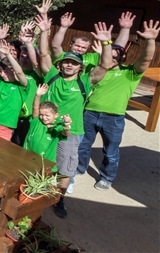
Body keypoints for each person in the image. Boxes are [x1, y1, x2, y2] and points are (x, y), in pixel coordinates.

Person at [37, 13, 113, 218]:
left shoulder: (85, 81)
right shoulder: (52, 75)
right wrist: (44, 30)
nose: (69, 65)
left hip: (71, 132)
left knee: (65, 169)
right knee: (38, 162)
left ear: (81, 67)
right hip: (44, 127)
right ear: (61, 64)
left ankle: (59, 199)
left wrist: (107, 42)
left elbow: (105, 65)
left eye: (74, 63)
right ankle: (35, 190)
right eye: (67, 62)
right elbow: (44, 53)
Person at [77, 19, 158, 191]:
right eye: (110, 56)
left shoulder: (130, 73)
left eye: (116, 57)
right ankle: (79, 168)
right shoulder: (98, 70)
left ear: (122, 58)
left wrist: (150, 40)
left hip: (113, 118)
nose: (112, 59)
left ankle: (106, 177)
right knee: (83, 144)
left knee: (111, 152)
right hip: (89, 113)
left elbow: (146, 58)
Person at [0, 40, 32, 141]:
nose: (2, 74)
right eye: (1, 71)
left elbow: (19, 71)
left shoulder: (22, 87)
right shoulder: (0, 82)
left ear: (13, 71)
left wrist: (8, 54)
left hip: (4, 128)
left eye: (6, 71)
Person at [23, 84, 71, 164]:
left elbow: (66, 134)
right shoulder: (36, 122)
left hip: (45, 163)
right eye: (41, 115)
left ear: (56, 115)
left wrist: (66, 125)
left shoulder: (57, 127)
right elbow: (35, 108)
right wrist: (38, 95)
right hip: (26, 158)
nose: (44, 118)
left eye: (47, 115)